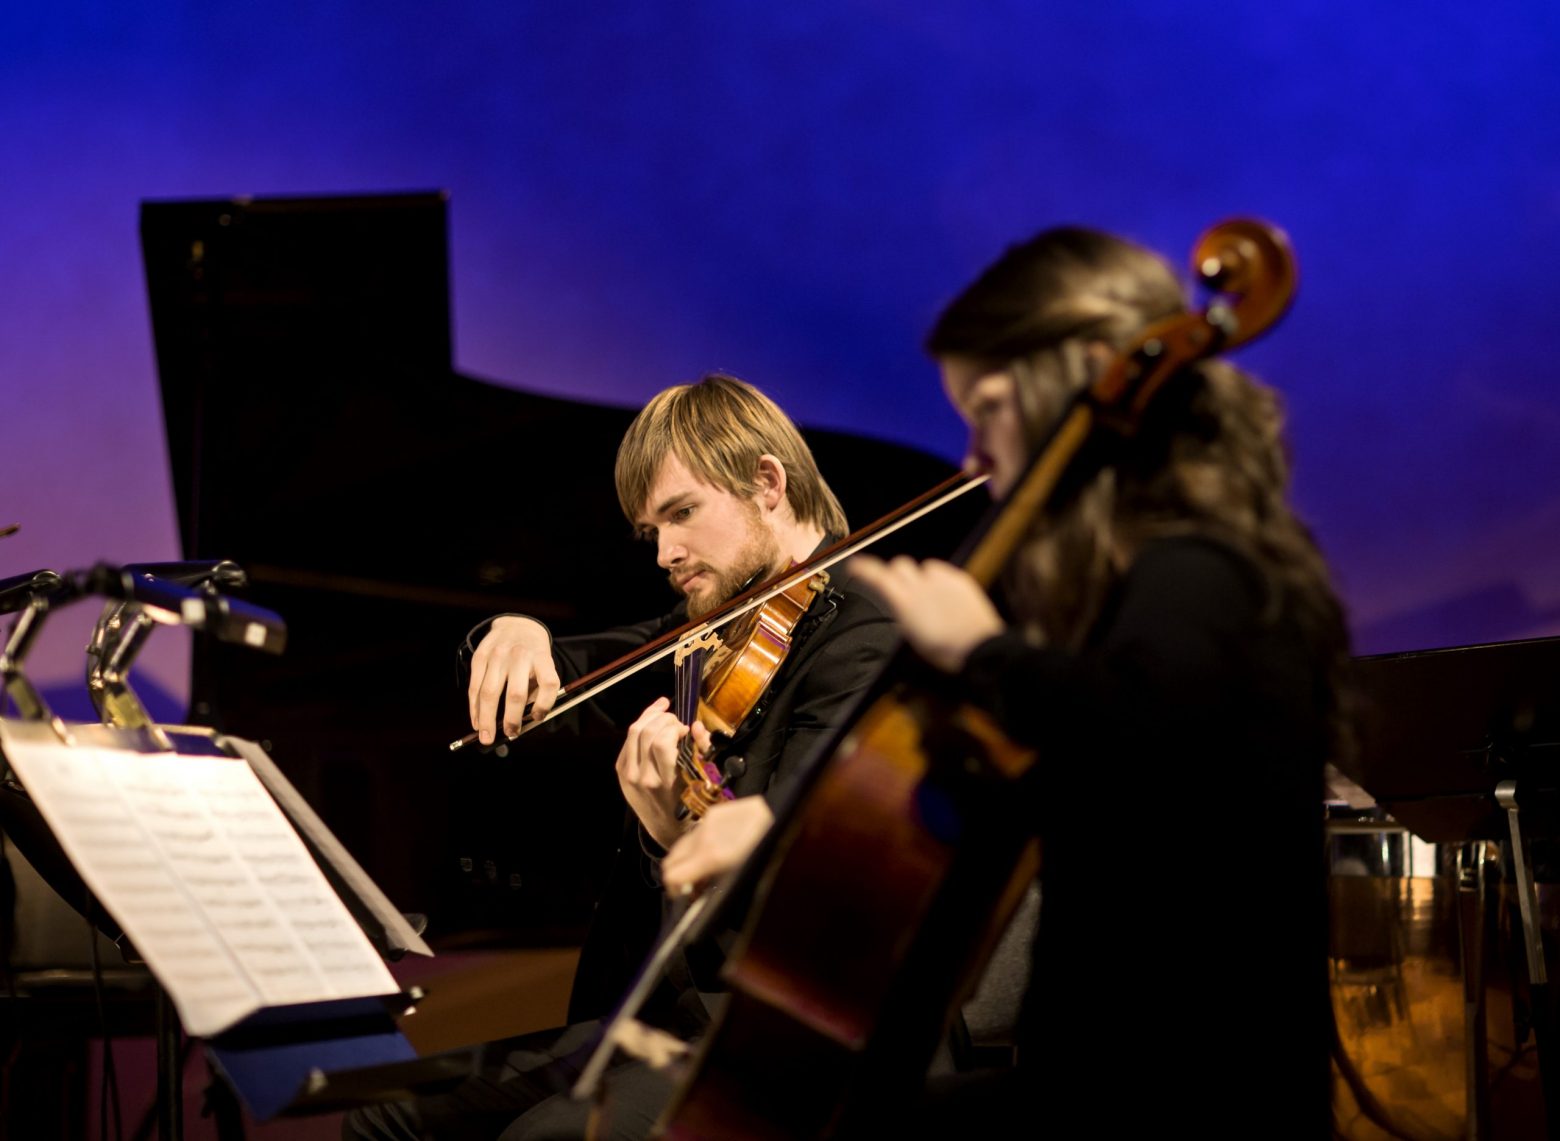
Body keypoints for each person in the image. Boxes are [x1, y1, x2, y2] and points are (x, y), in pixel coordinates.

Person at [663, 226, 1348, 1136]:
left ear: (1084, 376)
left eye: (986, 408)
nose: (972, 459)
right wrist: (787, 819)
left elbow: (1146, 750)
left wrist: (982, 655)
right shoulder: (1127, 594)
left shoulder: (1202, 574)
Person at [345, 374, 898, 1141]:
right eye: (653, 530)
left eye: (682, 514)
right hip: (664, 1016)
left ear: (767, 482)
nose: (666, 552)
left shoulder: (865, 636)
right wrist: (515, 629)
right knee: (383, 1123)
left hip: (777, 1029)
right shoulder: (722, 622)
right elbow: (582, 662)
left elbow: (813, 890)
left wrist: (677, 837)